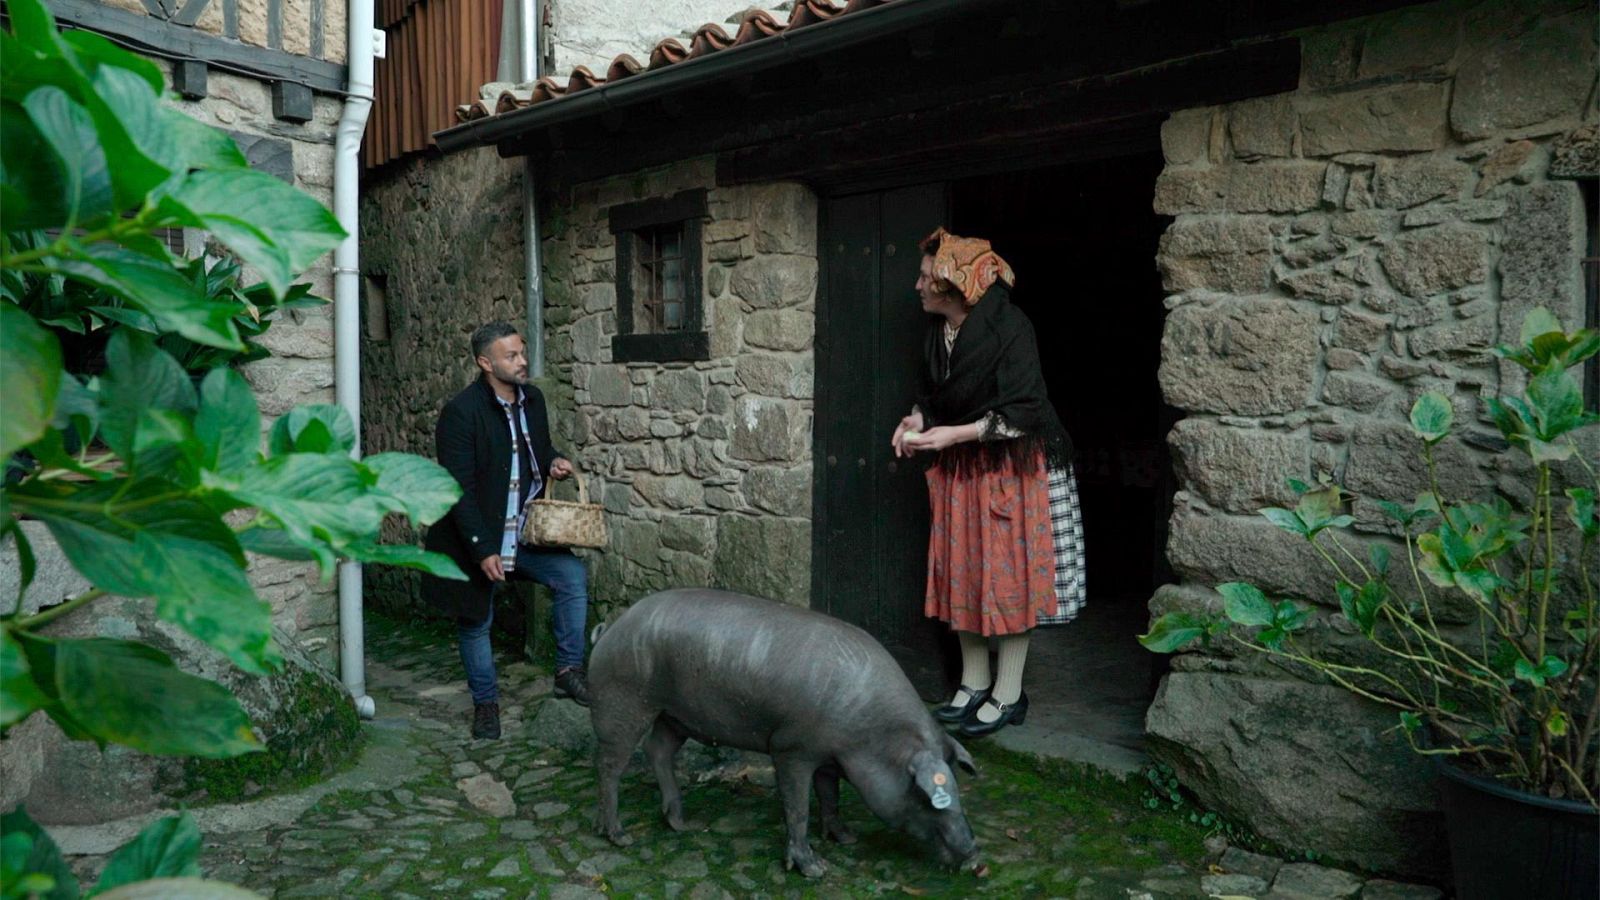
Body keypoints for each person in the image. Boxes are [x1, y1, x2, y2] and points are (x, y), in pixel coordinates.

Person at [891, 228, 1087, 738]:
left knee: (1009, 577)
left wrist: (950, 435)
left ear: (952, 286)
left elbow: (1024, 411)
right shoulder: (939, 332)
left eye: (925, 277)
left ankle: (1009, 692)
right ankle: (974, 682)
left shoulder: (1009, 328)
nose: (917, 286)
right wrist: (917, 420)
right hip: (964, 464)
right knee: (964, 570)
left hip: (1012, 465)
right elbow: (939, 397)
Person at [425, 321, 593, 740]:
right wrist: (482, 549)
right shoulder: (461, 413)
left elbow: (536, 450)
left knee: (571, 577)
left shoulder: (532, 400)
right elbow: (456, 490)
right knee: (476, 620)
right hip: (476, 539)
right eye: (512, 356)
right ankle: (486, 705)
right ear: (485, 363)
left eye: (522, 352)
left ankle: (569, 671)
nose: (523, 362)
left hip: (523, 534)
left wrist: (553, 461)